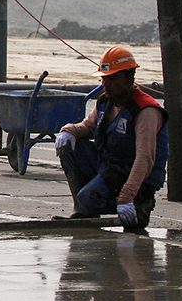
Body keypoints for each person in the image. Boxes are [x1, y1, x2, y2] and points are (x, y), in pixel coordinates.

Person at [54, 46, 168, 232]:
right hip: (109, 165)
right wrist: (68, 131)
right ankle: (84, 211)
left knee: (88, 197)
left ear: (130, 77)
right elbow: (89, 127)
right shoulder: (106, 101)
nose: (106, 84)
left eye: (113, 78)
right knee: (71, 146)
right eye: (104, 78)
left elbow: (145, 159)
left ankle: (139, 206)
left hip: (130, 172)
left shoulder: (145, 111)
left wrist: (126, 198)